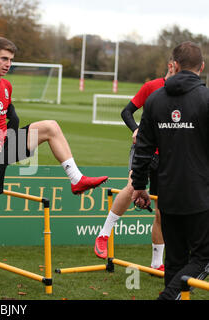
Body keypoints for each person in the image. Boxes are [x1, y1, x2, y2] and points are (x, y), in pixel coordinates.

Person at [0, 37, 108, 290]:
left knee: (50, 127)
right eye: (4, 59)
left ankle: (76, 179)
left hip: (5, 146)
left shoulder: (6, 86)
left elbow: (11, 116)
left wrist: (12, 139)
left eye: (11, 60)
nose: (8, 64)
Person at [131, 41, 209, 300]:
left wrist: (139, 186)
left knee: (175, 261)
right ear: (202, 66)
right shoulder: (205, 98)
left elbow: (143, 150)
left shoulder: (154, 100)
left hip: (169, 194)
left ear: (173, 65)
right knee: (203, 258)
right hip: (201, 196)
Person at [94, 58, 175, 271]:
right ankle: (103, 235)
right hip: (145, 150)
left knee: (161, 212)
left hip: (167, 157)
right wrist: (136, 130)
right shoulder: (152, 87)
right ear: (170, 65)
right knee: (132, 186)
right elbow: (126, 112)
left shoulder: (185, 94)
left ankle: (157, 263)